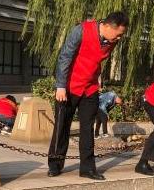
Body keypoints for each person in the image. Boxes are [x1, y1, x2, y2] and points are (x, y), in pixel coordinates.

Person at [48, 11, 129, 180]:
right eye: (119, 33)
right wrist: (60, 86)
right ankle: (55, 164)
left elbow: (96, 61)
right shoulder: (81, 30)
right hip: (69, 87)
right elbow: (65, 56)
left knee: (87, 129)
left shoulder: (112, 40)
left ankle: (87, 168)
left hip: (90, 89)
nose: (120, 38)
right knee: (62, 126)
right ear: (107, 26)